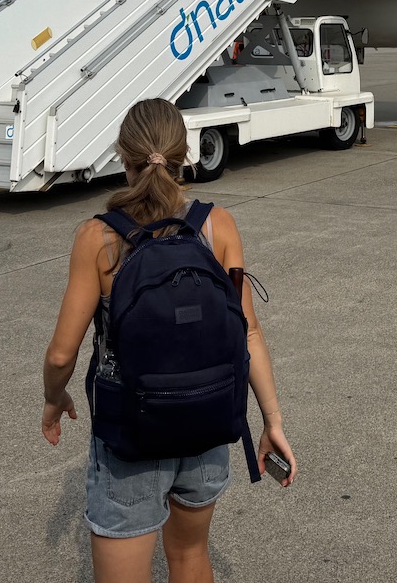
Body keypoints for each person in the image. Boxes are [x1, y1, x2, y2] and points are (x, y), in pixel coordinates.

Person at [41, 98, 297, 583]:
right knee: (190, 556)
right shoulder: (218, 225)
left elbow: (61, 355)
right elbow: (249, 331)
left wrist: (54, 399)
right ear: (184, 154)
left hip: (131, 434)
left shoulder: (99, 237)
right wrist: (273, 420)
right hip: (206, 424)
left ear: (123, 156)